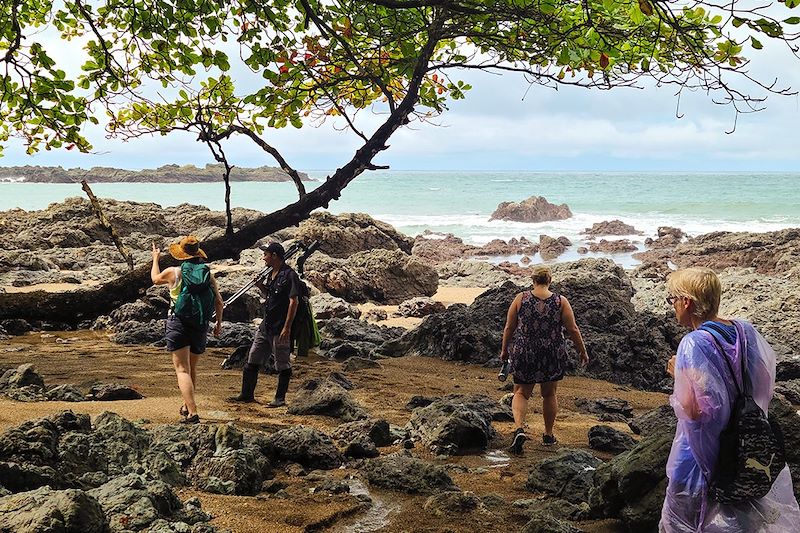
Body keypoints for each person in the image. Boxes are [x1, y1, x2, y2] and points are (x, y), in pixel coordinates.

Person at [660, 267, 800, 532]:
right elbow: (762, 378)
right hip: (742, 440)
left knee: (684, 521)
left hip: (700, 454)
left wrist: (679, 374)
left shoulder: (692, 344)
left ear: (686, 302)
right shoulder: (744, 330)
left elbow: (692, 410)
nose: (672, 306)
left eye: (672, 300)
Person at [500, 265, 589, 454]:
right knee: (549, 394)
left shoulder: (520, 299)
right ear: (550, 280)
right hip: (551, 350)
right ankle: (548, 435)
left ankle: (519, 428)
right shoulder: (560, 301)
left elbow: (509, 327)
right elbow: (573, 329)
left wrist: (504, 351)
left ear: (532, 280)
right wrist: (582, 351)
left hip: (525, 350)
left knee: (521, 392)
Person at [151, 235, 223, 424]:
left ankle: (192, 412)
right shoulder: (207, 273)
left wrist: (155, 259)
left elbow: (154, 279)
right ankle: (186, 405)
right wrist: (218, 324)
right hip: (200, 323)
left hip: (178, 322)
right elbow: (218, 302)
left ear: (181, 254)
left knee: (182, 370)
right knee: (191, 368)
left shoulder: (173, 272)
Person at [229, 242, 301, 407]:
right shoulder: (271, 273)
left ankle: (280, 399)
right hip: (266, 325)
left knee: (282, 363)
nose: (263, 258)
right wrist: (260, 286)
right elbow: (271, 296)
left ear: (274, 256)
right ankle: (246, 394)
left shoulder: (289, 275)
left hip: (280, 327)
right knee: (252, 358)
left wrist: (287, 327)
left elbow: (293, 302)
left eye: (266, 254)